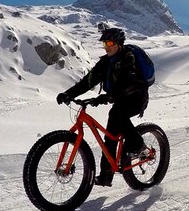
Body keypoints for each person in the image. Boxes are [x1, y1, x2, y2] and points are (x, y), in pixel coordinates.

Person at [56, 25, 150, 187]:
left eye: (110, 43)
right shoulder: (105, 62)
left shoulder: (128, 58)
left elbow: (130, 83)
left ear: (119, 44)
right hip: (120, 99)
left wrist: (108, 97)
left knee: (118, 116)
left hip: (136, 97)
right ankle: (106, 176)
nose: (107, 47)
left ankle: (140, 146)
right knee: (110, 135)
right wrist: (69, 94)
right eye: (105, 43)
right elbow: (88, 81)